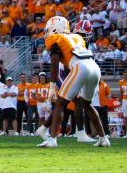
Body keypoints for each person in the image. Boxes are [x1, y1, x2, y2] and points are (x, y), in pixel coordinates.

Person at [36, 16, 108, 149]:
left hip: (81, 67)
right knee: (87, 104)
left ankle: (52, 139)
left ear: (56, 28)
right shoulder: (76, 37)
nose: (47, 33)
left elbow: (55, 62)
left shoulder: (55, 39)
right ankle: (103, 138)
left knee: (59, 103)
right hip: (94, 67)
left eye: (49, 29)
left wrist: (52, 85)